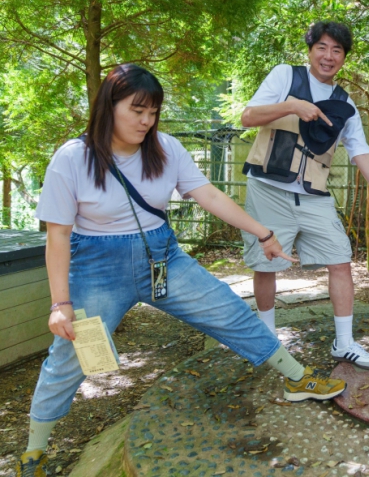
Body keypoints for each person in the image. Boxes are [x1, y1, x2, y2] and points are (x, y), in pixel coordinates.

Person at [16, 64, 346, 477]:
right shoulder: (73, 157)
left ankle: (297, 378)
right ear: (108, 106)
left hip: (162, 257)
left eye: (153, 112)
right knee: (69, 356)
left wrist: (263, 233)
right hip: (96, 266)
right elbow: (58, 237)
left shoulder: (166, 149)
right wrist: (59, 303)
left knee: (229, 310)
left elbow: (206, 193)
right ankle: (34, 451)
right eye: (137, 110)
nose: (146, 121)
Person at [239, 21, 369, 372]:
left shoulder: (346, 104)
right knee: (267, 265)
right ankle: (269, 342)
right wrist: (293, 106)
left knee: (341, 259)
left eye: (337, 50)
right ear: (311, 50)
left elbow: (361, 153)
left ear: (344, 57)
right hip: (268, 188)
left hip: (313, 195)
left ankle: (344, 343)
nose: (329, 56)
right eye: (322, 48)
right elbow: (248, 116)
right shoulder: (286, 77)